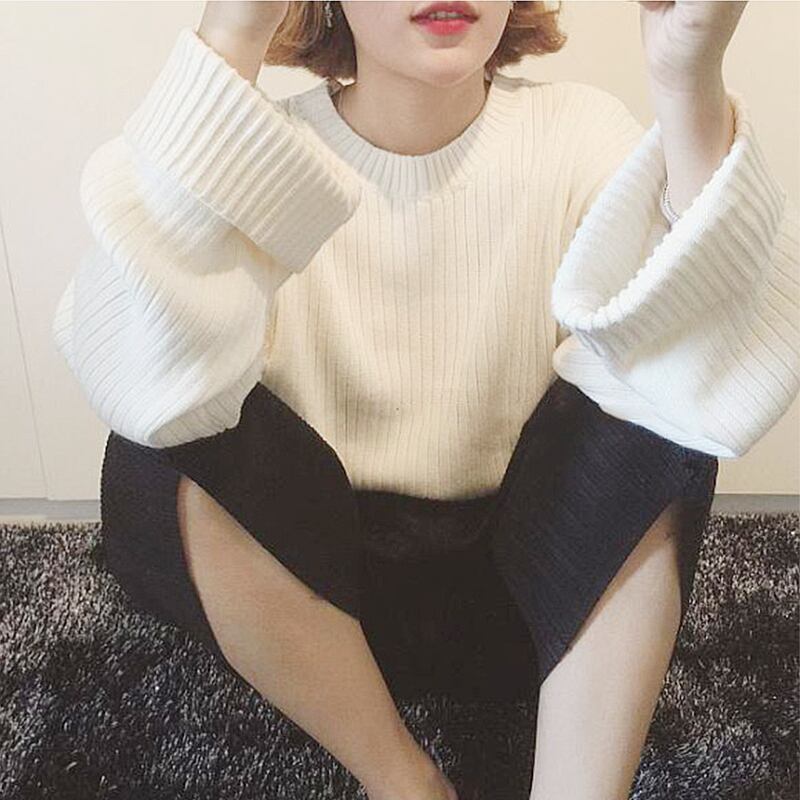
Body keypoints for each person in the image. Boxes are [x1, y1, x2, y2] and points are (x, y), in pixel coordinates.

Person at [52, 2, 799, 798]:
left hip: (527, 595)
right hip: (321, 610)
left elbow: (713, 356)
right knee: (161, 432)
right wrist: (232, 38)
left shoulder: (577, 132)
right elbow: (134, 370)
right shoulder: (255, 147)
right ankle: (404, 782)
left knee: (661, 397)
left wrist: (688, 79)